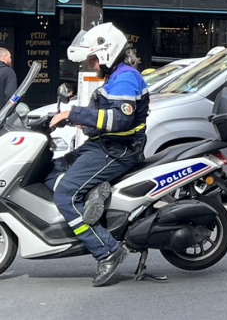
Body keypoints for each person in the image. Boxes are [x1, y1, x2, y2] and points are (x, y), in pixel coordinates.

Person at [47, 23, 149, 287]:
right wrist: (77, 119)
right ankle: (94, 195)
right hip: (103, 145)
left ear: (106, 53)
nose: (90, 64)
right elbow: (104, 116)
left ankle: (107, 250)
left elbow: (120, 119)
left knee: (65, 195)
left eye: (92, 58)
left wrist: (75, 114)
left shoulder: (126, 78)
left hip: (118, 150)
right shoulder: (115, 77)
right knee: (52, 170)